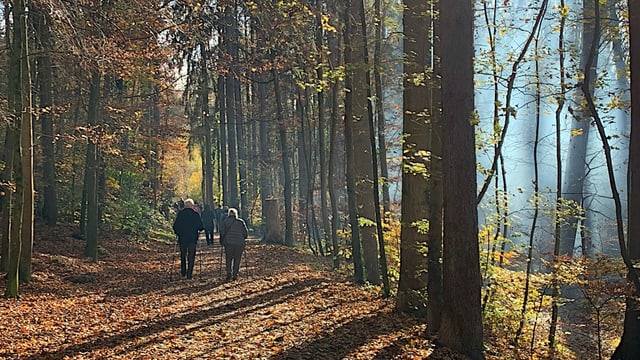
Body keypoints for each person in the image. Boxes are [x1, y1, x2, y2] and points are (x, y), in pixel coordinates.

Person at [172, 198, 204, 279]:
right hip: (192, 238)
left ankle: (183, 272)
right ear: (192, 205)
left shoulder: (180, 214)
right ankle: (189, 274)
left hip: (182, 238)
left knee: (183, 255)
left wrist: (178, 233)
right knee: (191, 256)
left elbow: (175, 226)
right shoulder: (195, 214)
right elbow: (201, 227)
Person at [219, 207, 248, 281]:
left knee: (228, 259)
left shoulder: (225, 222)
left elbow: (222, 232)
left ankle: (228, 273)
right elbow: (245, 233)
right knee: (237, 259)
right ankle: (235, 274)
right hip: (239, 243)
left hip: (228, 243)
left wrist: (222, 241)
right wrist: (243, 238)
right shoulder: (241, 222)